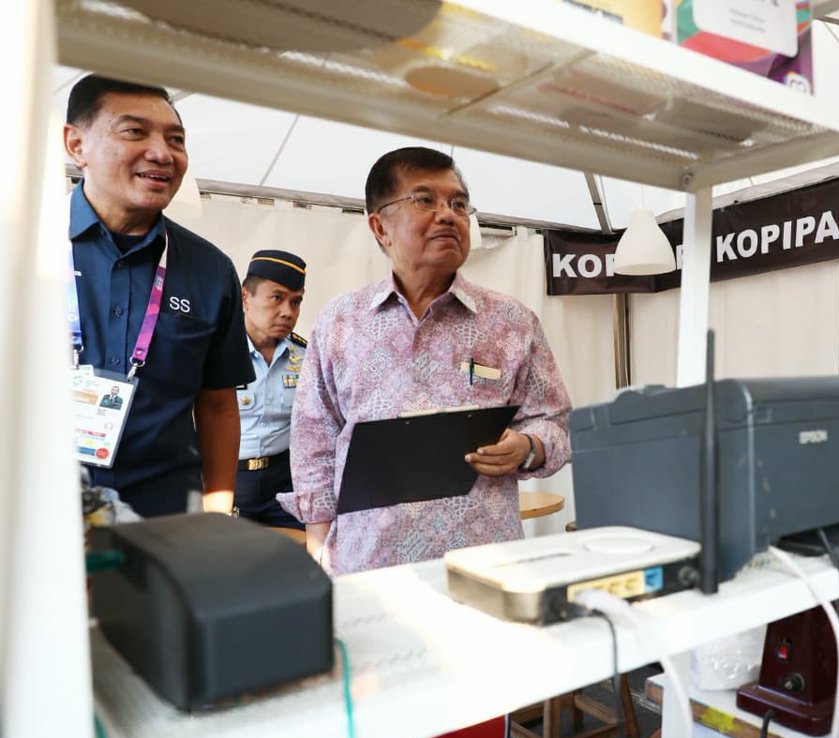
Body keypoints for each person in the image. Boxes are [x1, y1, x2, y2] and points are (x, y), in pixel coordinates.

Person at [280, 147, 571, 573]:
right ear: (380, 227)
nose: (448, 214)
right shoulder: (340, 323)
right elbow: (314, 443)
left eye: (458, 203)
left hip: (486, 565)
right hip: (367, 566)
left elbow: (556, 423)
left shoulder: (512, 322)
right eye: (425, 200)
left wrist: (528, 446)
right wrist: (318, 546)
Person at [65, 74, 254, 517]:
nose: (162, 153)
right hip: (31, 507)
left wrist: (218, 512)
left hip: (167, 512)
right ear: (76, 145)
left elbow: (217, 405)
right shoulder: (20, 248)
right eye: (134, 132)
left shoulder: (209, 270)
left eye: (176, 139)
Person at [234, 249, 308, 530]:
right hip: (229, 482)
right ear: (245, 297)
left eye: (296, 301)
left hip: (285, 483)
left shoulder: (306, 356)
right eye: (276, 298)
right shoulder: (216, 352)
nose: (288, 312)